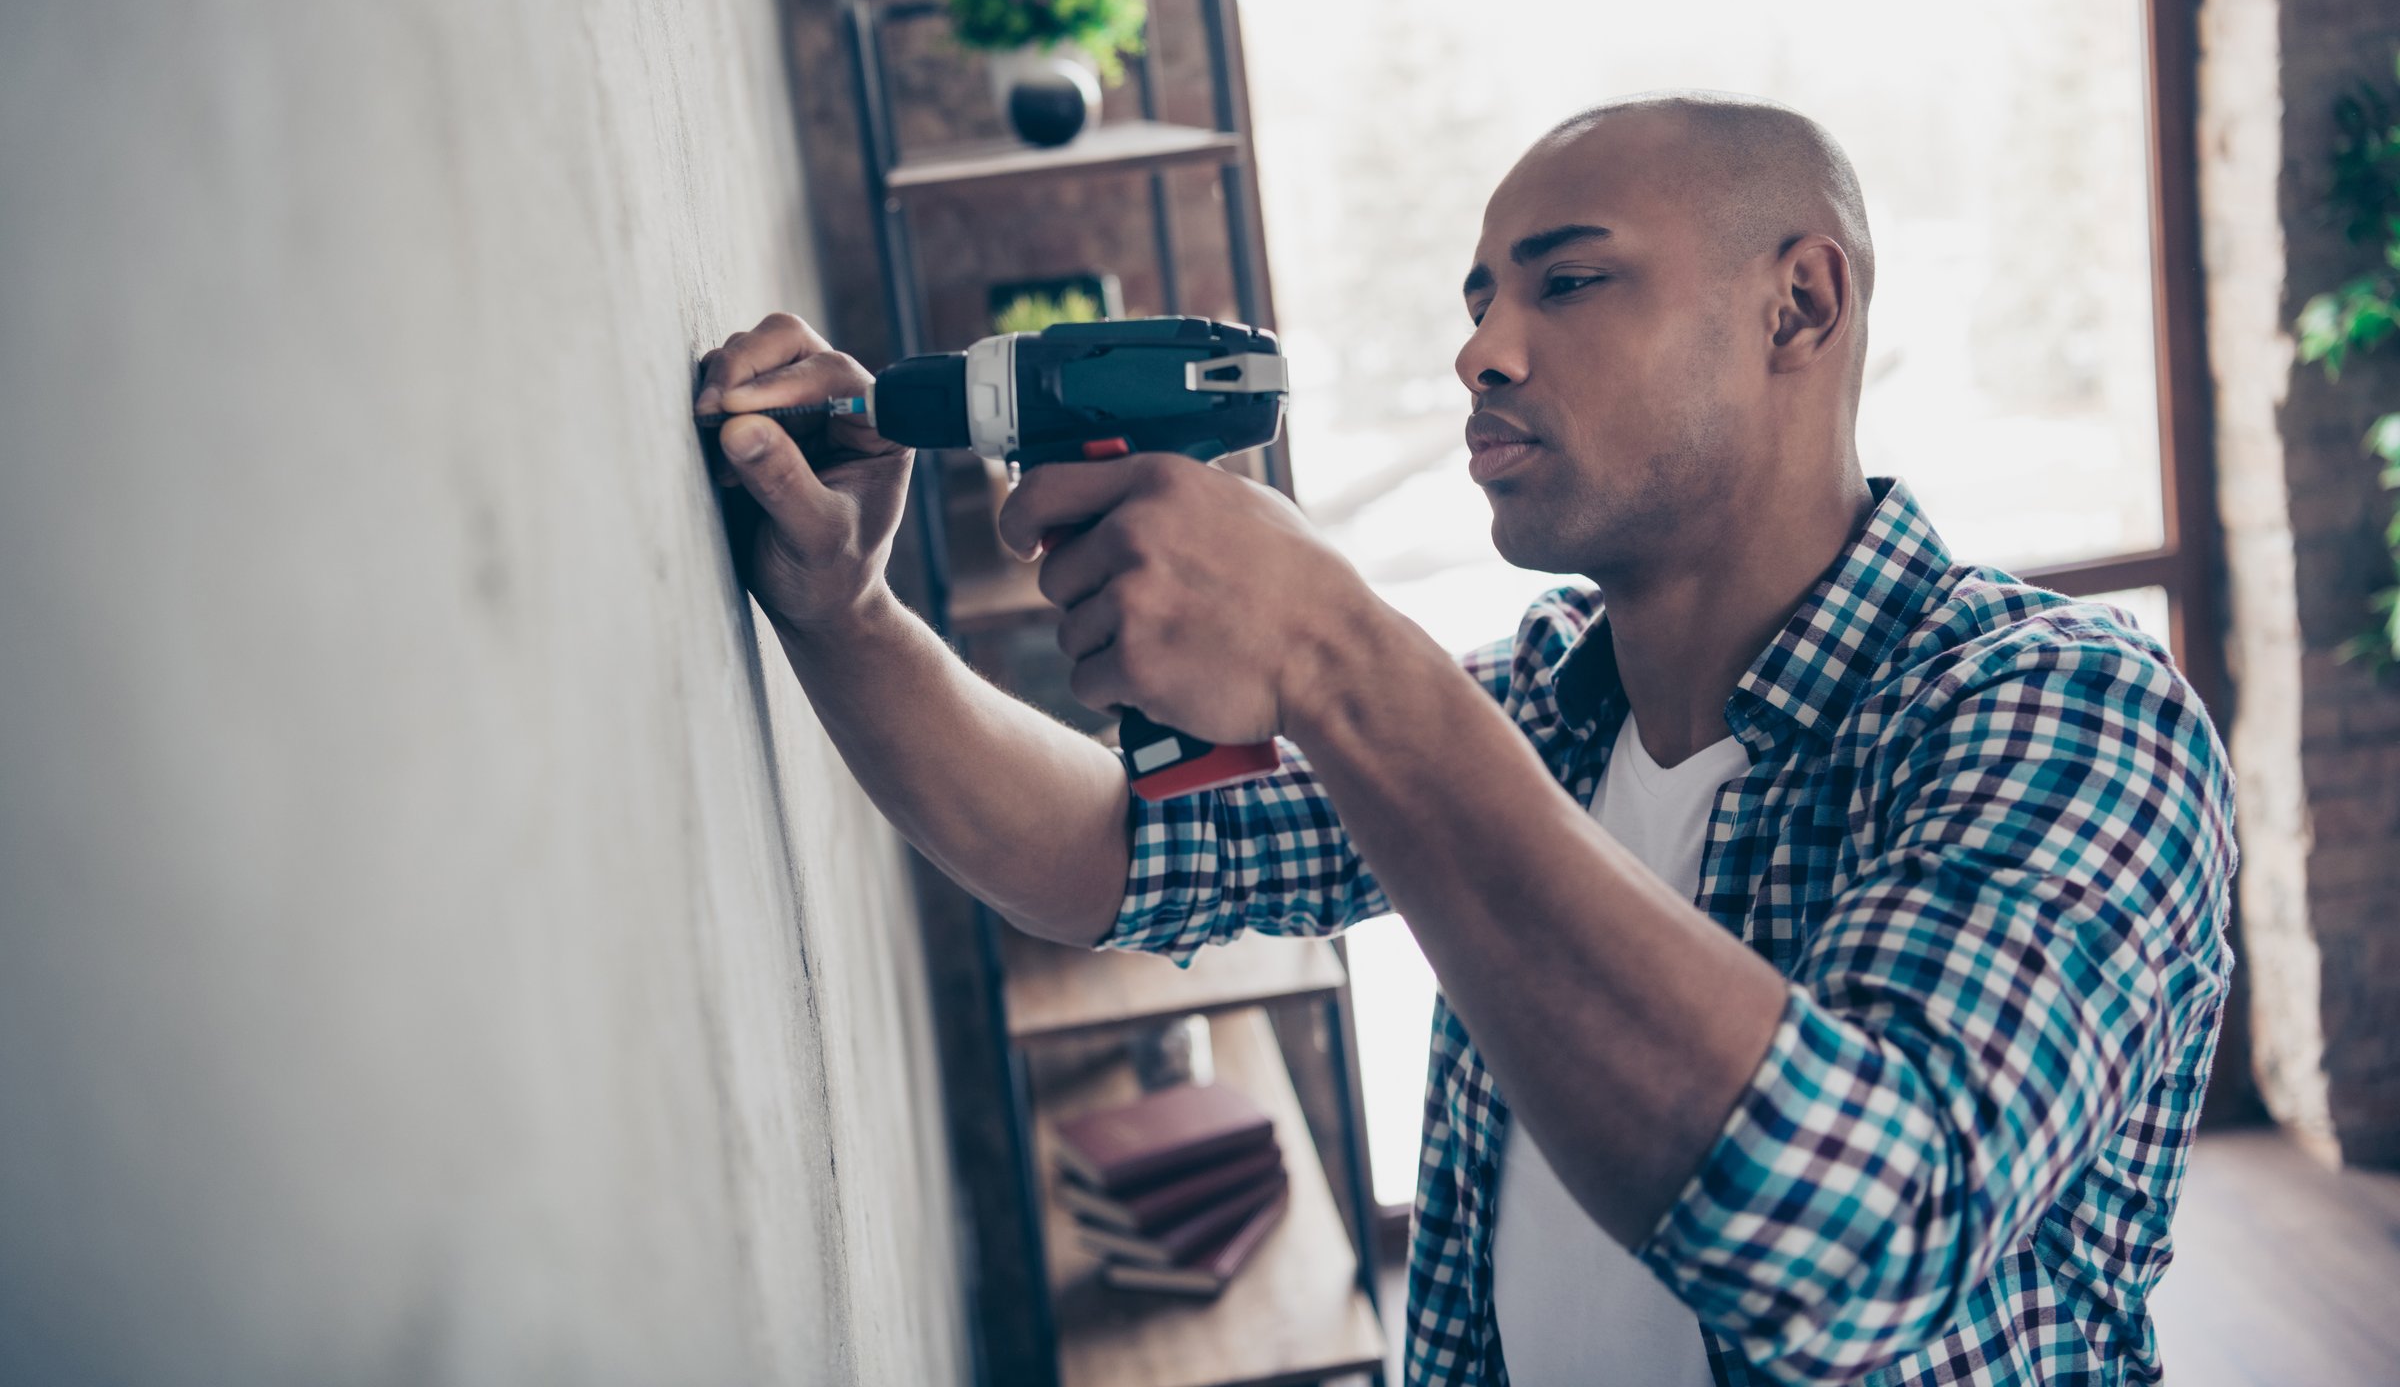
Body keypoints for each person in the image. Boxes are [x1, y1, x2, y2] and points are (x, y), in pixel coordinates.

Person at [693, 91, 2235, 1387]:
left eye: (1565, 284)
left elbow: (1859, 1237)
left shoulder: (2065, 713)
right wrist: (845, 613)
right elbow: (1108, 858)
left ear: (1800, 306)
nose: (1482, 352)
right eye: (1479, 300)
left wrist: (1335, 654)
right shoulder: (1548, 704)